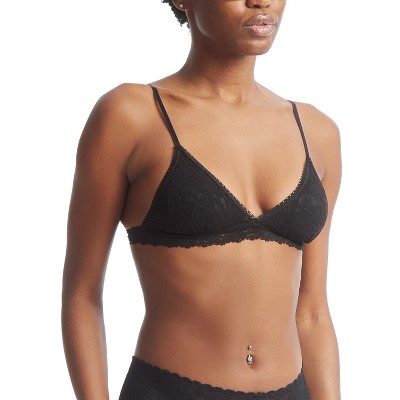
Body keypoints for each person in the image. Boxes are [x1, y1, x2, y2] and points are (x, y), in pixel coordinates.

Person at [61, 0, 342, 399]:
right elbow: (82, 295)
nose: (261, 1)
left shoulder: (317, 132)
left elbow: (312, 311)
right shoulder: (131, 115)